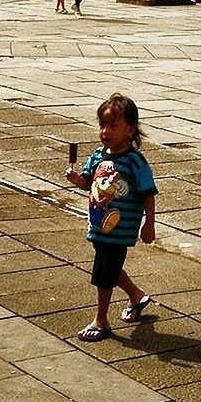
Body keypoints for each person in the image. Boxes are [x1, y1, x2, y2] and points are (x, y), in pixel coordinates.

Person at [66, 93, 157, 342]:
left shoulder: (135, 162)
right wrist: (77, 180)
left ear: (129, 130)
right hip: (98, 225)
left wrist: (149, 224)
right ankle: (137, 296)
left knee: (103, 272)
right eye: (102, 125)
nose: (105, 131)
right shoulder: (98, 155)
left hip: (119, 229)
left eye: (112, 126)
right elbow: (89, 182)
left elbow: (149, 193)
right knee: (109, 268)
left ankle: (101, 320)